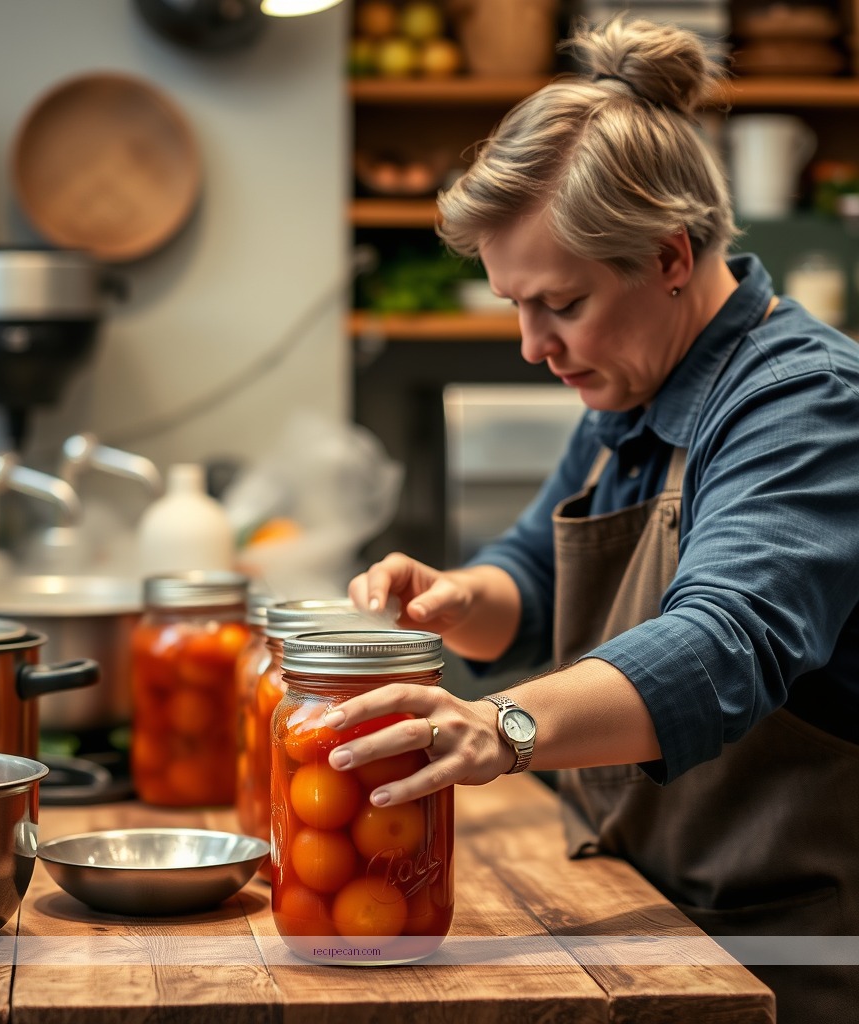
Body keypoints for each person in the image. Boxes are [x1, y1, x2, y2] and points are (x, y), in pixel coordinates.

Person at [327, 15, 859, 1024]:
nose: (533, 346)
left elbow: (724, 641)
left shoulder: (809, 407)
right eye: (515, 306)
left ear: (668, 256)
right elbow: (531, 579)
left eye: (559, 303)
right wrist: (451, 598)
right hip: (650, 920)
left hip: (780, 961)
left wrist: (504, 724)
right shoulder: (627, 386)